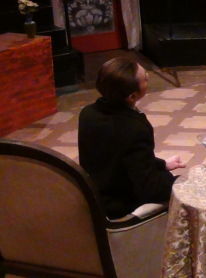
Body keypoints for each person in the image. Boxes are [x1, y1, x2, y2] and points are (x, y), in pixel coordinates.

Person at [78, 57, 186, 219]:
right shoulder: (134, 128)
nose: (148, 77)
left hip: (96, 197)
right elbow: (151, 189)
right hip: (119, 207)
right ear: (132, 96)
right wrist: (179, 182)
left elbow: (119, 156)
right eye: (145, 79)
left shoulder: (87, 113)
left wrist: (162, 164)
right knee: (185, 186)